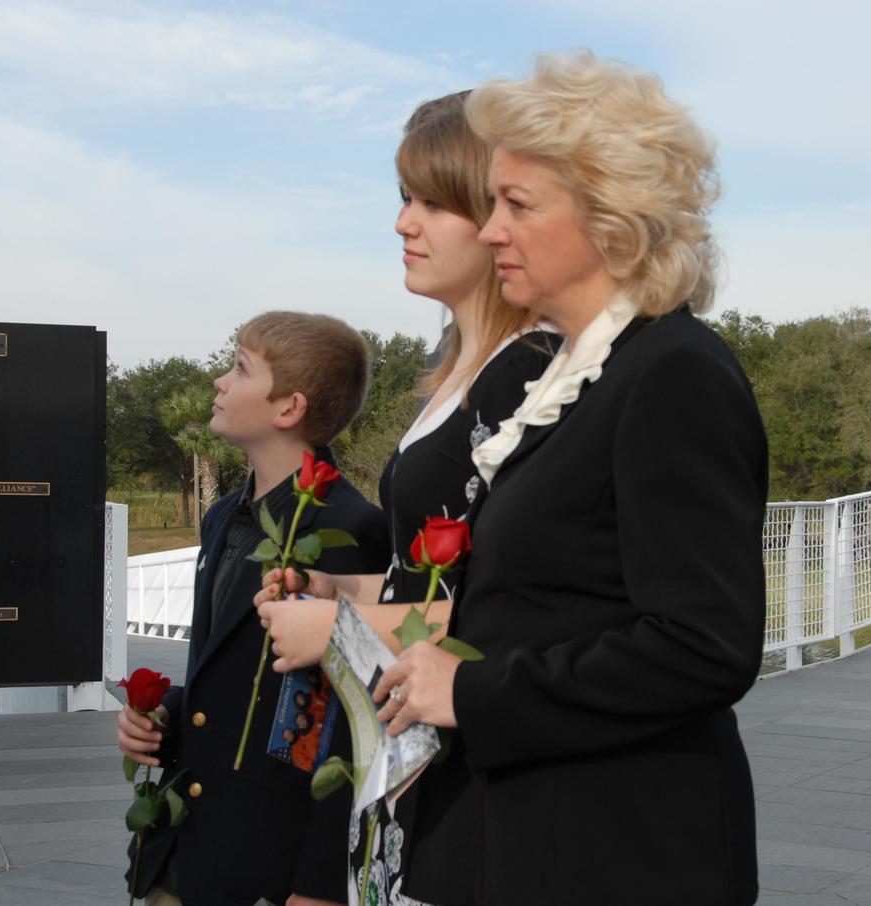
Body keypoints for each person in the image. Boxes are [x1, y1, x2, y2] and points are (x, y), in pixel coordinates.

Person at [371, 53, 769, 904]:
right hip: (529, 837)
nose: (489, 230)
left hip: (618, 849)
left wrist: (472, 691)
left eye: (516, 204)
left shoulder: (673, 373)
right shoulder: (580, 376)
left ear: (608, 218)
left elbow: (703, 644)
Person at [255, 92, 557, 905]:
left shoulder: (531, 375)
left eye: (431, 202)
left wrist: (344, 628)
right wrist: (342, 589)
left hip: (472, 771)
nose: (403, 223)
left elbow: (528, 601)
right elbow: (431, 579)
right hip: (413, 750)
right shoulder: (459, 368)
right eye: (402, 199)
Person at [117, 312, 391, 906]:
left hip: (272, 864)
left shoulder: (351, 527)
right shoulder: (222, 518)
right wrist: (162, 718)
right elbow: (226, 672)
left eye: (239, 368)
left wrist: (320, 884)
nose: (219, 381)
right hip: (189, 850)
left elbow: (349, 724)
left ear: (287, 409)